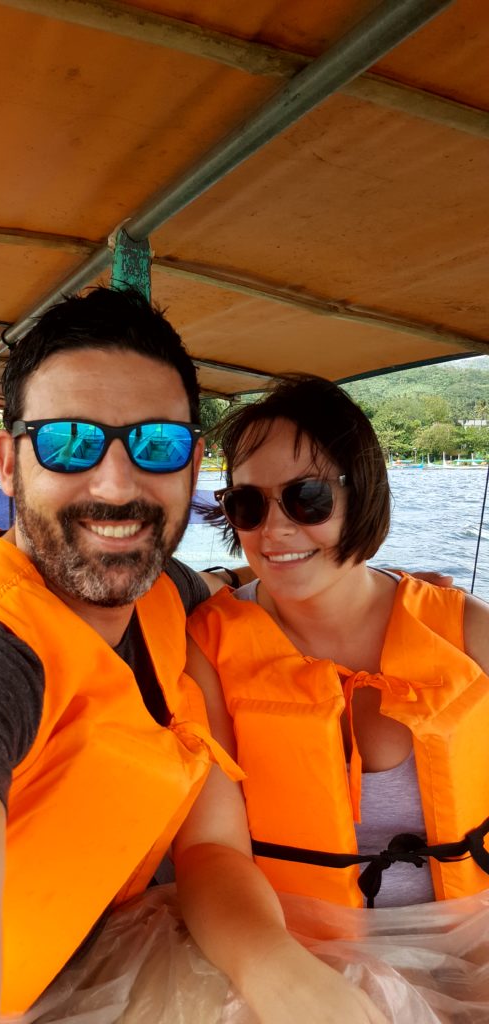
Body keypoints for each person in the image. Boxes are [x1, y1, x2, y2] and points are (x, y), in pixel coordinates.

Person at [0, 285, 244, 1024]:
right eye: (70, 441)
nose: (118, 486)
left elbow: (235, 584)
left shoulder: (166, 592)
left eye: (158, 443)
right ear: (7, 462)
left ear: (193, 466)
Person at [178, 373, 489, 1024]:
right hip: (297, 953)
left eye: (307, 498)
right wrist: (283, 980)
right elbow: (212, 850)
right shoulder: (209, 648)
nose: (275, 530)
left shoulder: (468, 632)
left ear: (362, 493)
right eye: (248, 505)